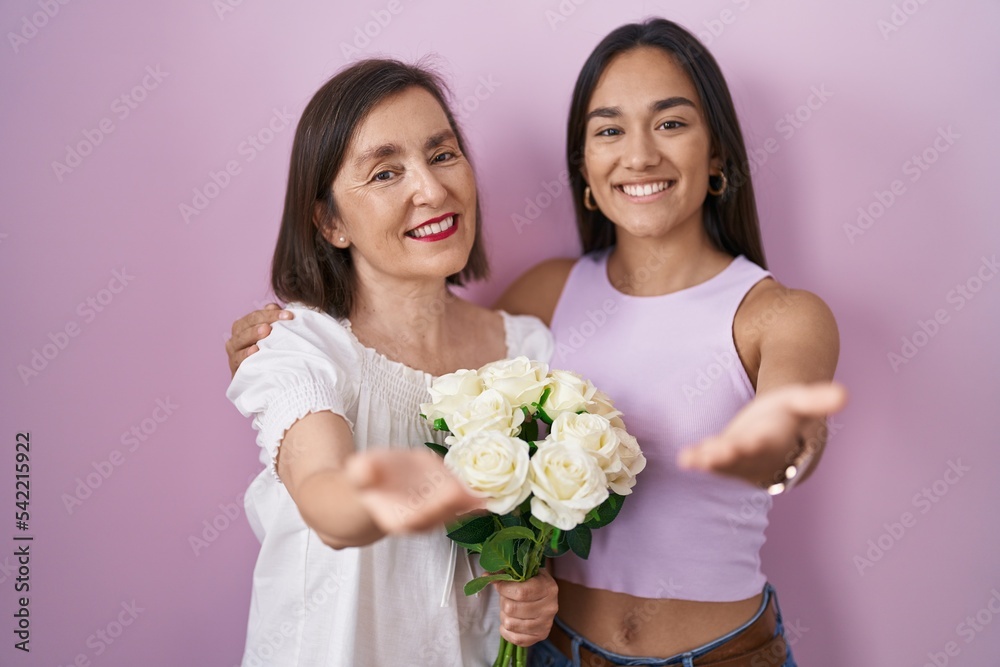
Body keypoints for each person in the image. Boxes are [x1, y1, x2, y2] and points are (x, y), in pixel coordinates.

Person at [227, 19, 846, 667]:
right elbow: (379, 378)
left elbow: (793, 419)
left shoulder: (773, 313)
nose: (639, 155)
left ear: (718, 152)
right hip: (560, 655)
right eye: (609, 129)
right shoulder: (543, 302)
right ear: (584, 164)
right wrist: (271, 354)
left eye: (671, 123)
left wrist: (781, 445)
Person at [224, 58, 558, 667]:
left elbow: (524, 549)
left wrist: (531, 587)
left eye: (443, 155)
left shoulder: (528, 355)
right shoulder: (301, 347)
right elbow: (328, 503)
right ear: (329, 221)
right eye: (385, 173)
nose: (431, 190)